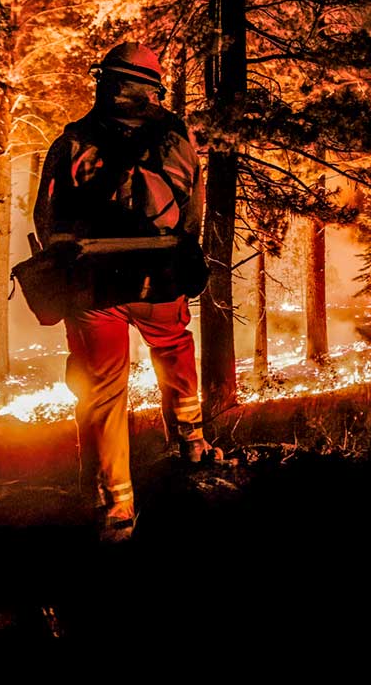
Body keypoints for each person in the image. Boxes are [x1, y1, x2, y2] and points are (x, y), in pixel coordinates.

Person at [33, 41, 221, 543]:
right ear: (151, 88)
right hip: (157, 272)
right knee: (174, 346)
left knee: (103, 391)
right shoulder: (174, 136)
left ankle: (114, 509)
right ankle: (191, 441)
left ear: (106, 82)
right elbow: (192, 203)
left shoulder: (71, 141)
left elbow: (46, 220)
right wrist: (183, 251)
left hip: (94, 283)